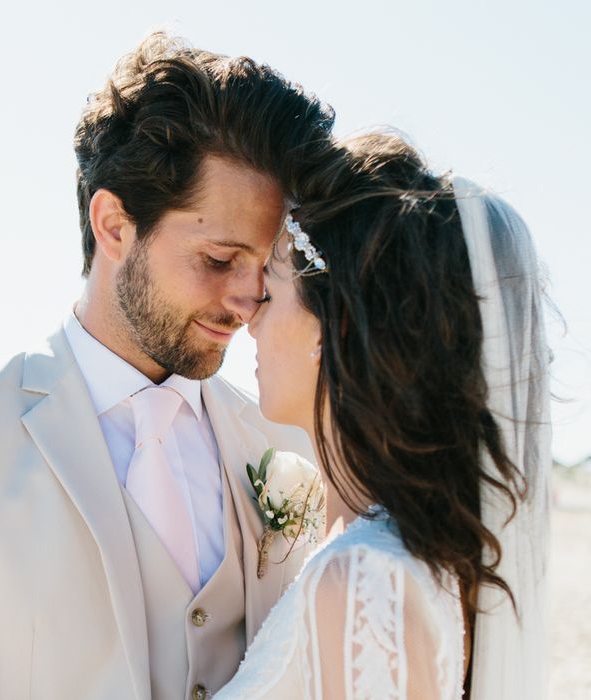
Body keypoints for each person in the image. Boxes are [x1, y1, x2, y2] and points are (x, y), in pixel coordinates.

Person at [0, 34, 338, 699]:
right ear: (114, 225)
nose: (248, 300)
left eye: (266, 269)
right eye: (220, 260)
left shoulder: (290, 443)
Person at [216, 132, 551, 699]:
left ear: (335, 323)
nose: (249, 317)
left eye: (270, 294)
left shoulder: (360, 579)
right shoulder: (403, 556)